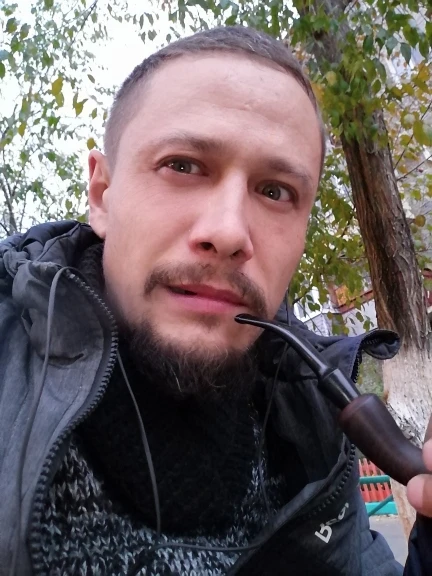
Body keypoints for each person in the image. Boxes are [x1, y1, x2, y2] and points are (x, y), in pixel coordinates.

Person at [0, 25, 431, 576]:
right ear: (102, 196)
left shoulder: (311, 423)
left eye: (275, 191)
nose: (228, 233)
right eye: (182, 165)